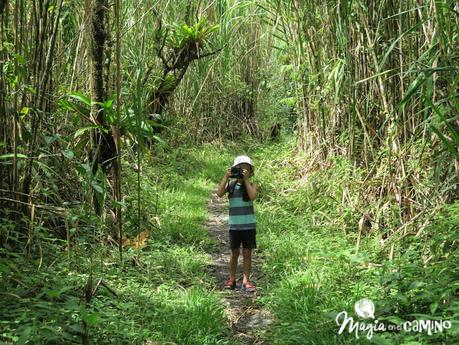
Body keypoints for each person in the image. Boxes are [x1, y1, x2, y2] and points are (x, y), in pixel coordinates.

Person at [216, 155, 257, 292]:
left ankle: (246, 280)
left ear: (251, 172)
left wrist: (245, 180)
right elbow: (219, 193)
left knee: (247, 253)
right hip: (234, 226)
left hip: (249, 225)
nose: (242, 172)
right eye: (240, 170)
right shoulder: (231, 185)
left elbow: (252, 196)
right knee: (234, 253)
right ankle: (231, 279)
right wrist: (226, 177)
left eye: (246, 170)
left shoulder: (251, 185)